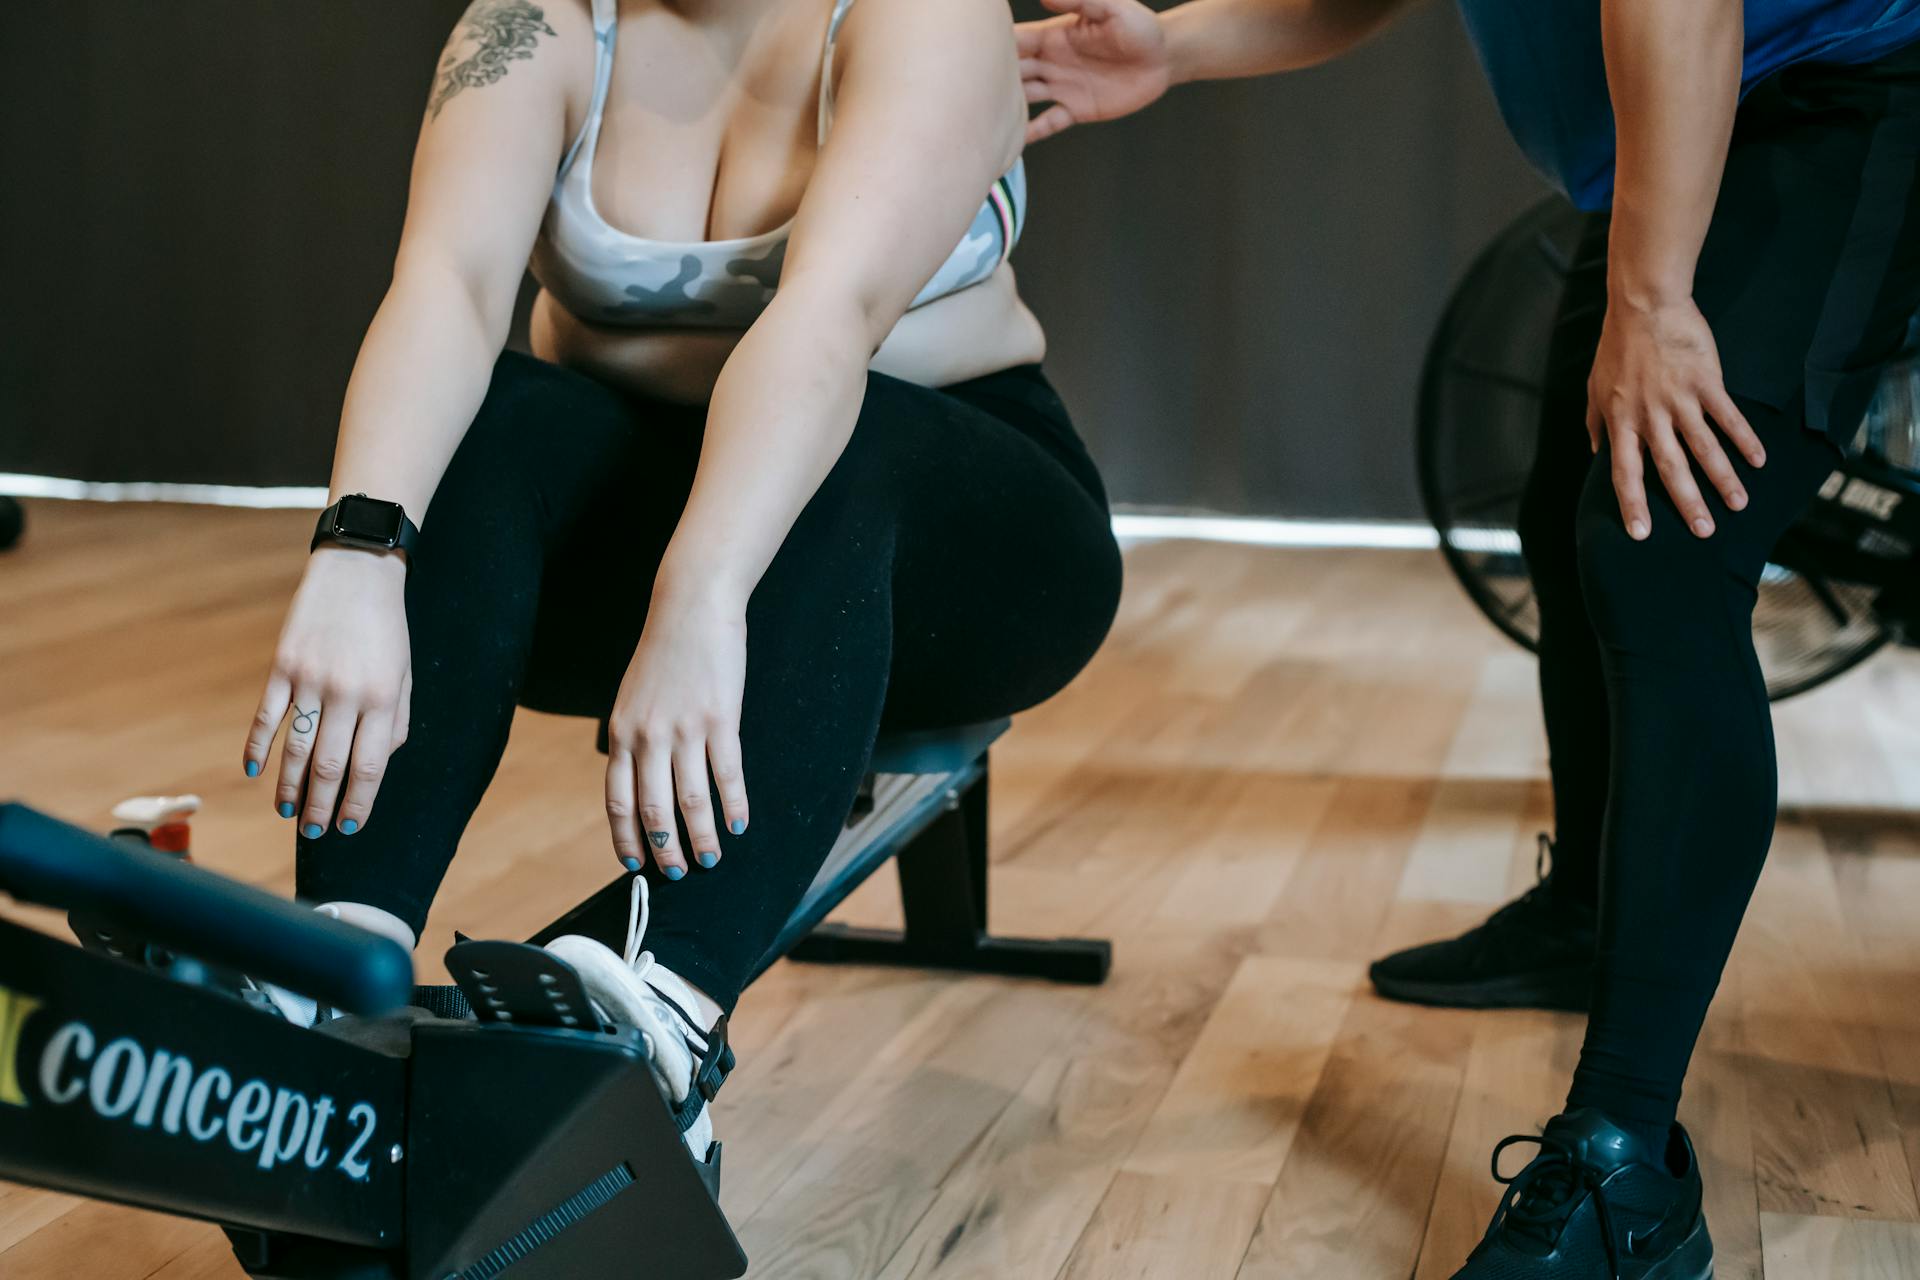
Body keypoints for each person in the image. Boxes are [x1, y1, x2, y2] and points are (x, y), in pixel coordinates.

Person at [1019, 0, 1920, 1276]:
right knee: (1575, 516)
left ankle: (1625, 1164)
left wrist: (1655, 298)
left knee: (1660, 551)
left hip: (1842, 84)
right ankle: (1588, 910)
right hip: (1672, 113)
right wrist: (1182, 43)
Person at [238, 0, 1123, 1168]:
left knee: (839, 452)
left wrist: (701, 594)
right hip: (666, 510)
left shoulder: (922, 16)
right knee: (485, 420)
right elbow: (448, 286)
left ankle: (665, 1006)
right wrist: (358, 553)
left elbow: (828, 318)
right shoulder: (537, 24)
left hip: (963, 541)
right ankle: (338, 966)